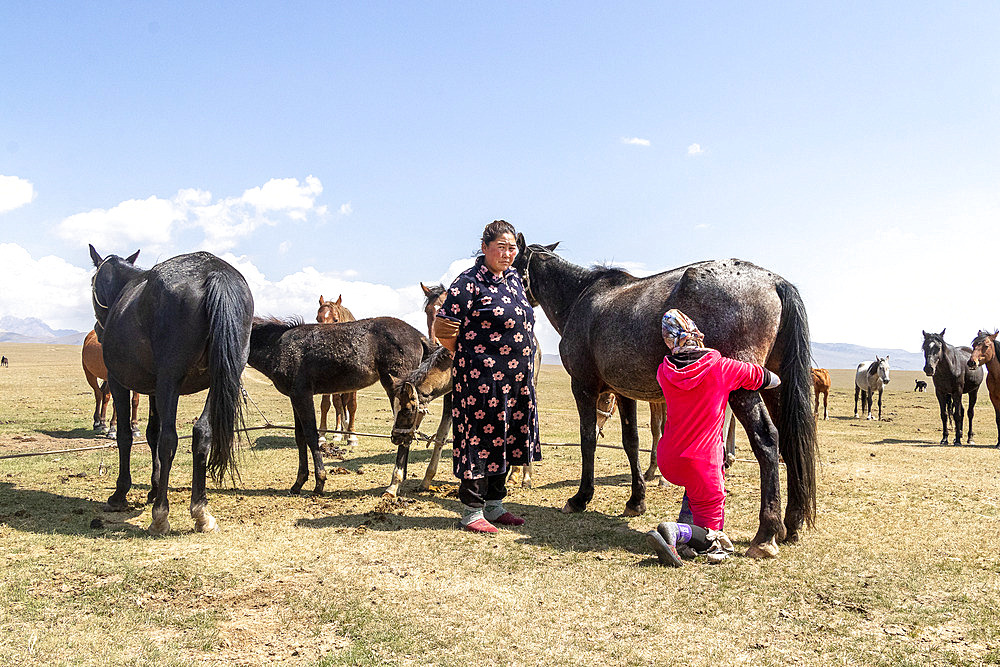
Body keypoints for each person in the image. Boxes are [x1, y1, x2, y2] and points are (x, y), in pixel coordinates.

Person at [646, 309, 781, 566]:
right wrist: (776, 377)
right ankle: (677, 531)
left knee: (693, 487)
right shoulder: (722, 367)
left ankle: (686, 525)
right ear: (695, 333)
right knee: (715, 539)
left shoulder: (663, 372)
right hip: (703, 466)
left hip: (669, 460)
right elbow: (766, 379)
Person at [433, 220, 541, 533]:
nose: (508, 253)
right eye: (501, 247)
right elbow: (444, 328)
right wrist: (470, 355)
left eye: (512, 248)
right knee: (478, 440)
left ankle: (495, 505)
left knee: (503, 438)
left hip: (514, 381)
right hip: (480, 379)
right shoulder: (467, 283)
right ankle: (471, 512)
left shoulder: (514, 281)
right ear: (484, 248)